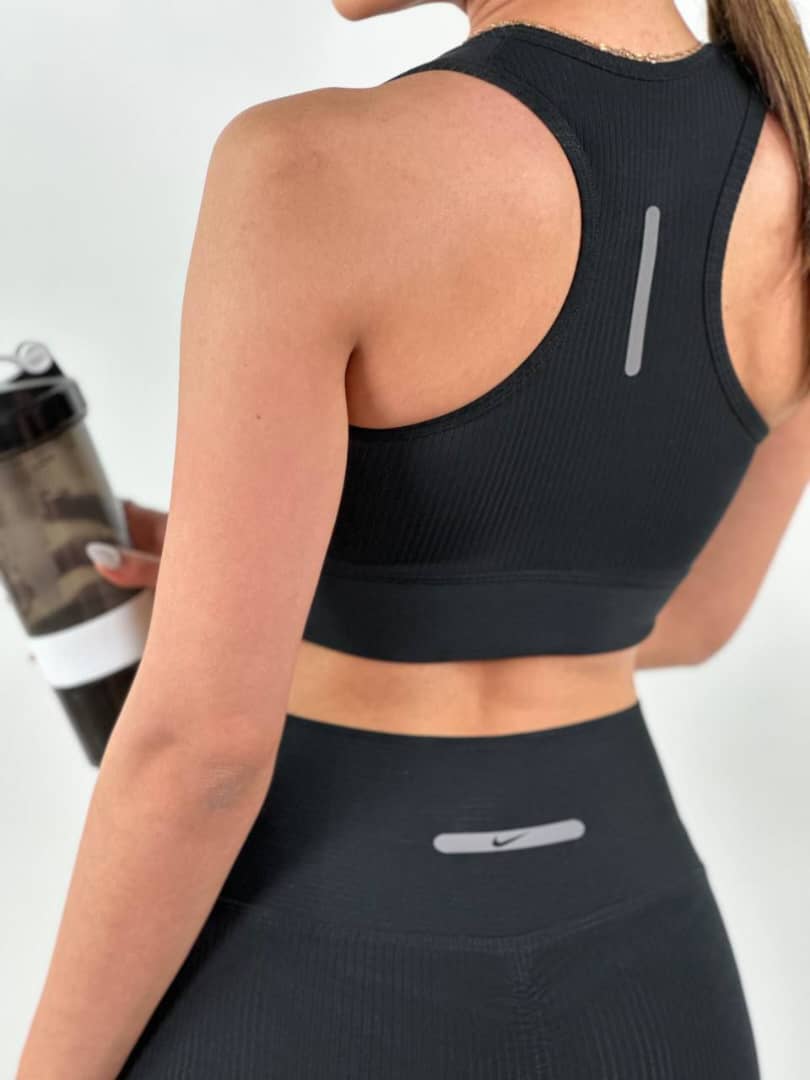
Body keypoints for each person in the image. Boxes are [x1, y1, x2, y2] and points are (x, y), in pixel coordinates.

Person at [16, 1, 810, 1077]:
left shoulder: (309, 167)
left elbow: (202, 755)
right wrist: (254, 581)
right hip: (649, 966)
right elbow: (695, 614)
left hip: (321, 965)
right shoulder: (799, 166)